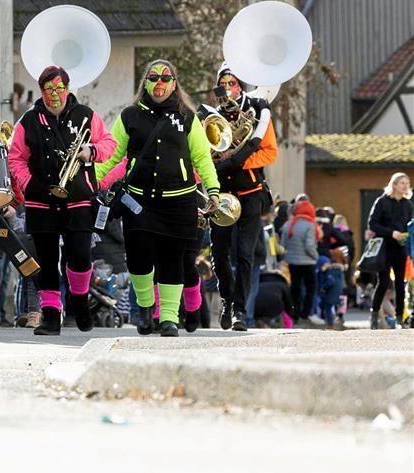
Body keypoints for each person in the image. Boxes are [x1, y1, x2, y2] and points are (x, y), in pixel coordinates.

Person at [96, 59, 220, 337]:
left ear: (174, 83)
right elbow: (113, 155)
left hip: (180, 201)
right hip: (141, 202)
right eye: (154, 78)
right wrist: (88, 179)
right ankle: (145, 308)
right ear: (146, 83)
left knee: (172, 260)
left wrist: (213, 189)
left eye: (166, 78)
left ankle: (168, 318)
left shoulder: (188, 117)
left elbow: (201, 158)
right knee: (139, 260)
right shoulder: (130, 116)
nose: (160, 83)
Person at [8, 65, 115, 336]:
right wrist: (30, 184)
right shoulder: (29, 120)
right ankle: (51, 316)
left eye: (59, 88)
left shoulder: (86, 115)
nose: (54, 94)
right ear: (42, 90)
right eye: (48, 89)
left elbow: (110, 145)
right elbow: (15, 157)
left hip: (78, 197)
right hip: (40, 200)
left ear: (67, 88)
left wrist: (90, 151)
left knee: (79, 255)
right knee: (46, 260)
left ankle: (79, 300)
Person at [203, 66, 278, 332]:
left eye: (232, 83)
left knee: (245, 254)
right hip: (220, 193)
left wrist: (238, 161)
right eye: (222, 83)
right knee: (219, 254)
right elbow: (202, 153)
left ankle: (240, 311)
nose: (227, 87)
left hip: (250, 194)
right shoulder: (210, 115)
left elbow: (269, 153)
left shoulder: (257, 111)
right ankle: (226, 298)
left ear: (240, 86)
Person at [367, 172, 412, 329]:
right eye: (402, 183)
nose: (406, 186)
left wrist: (407, 236)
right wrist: (391, 233)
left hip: (400, 248)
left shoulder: (408, 204)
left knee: (400, 284)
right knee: (384, 282)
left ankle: (399, 318)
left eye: (407, 183)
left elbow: (409, 225)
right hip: (384, 247)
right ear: (394, 185)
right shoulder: (382, 202)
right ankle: (374, 315)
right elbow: (372, 224)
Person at [280, 199, 319, 324]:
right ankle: (305, 313)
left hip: (292, 262)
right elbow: (309, 246)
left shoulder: (288, 225)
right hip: (308, 263)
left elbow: (283, 245)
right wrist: (316, 256)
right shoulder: (310, 225)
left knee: (295, 289)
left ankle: (294, 314)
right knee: (310, 288)